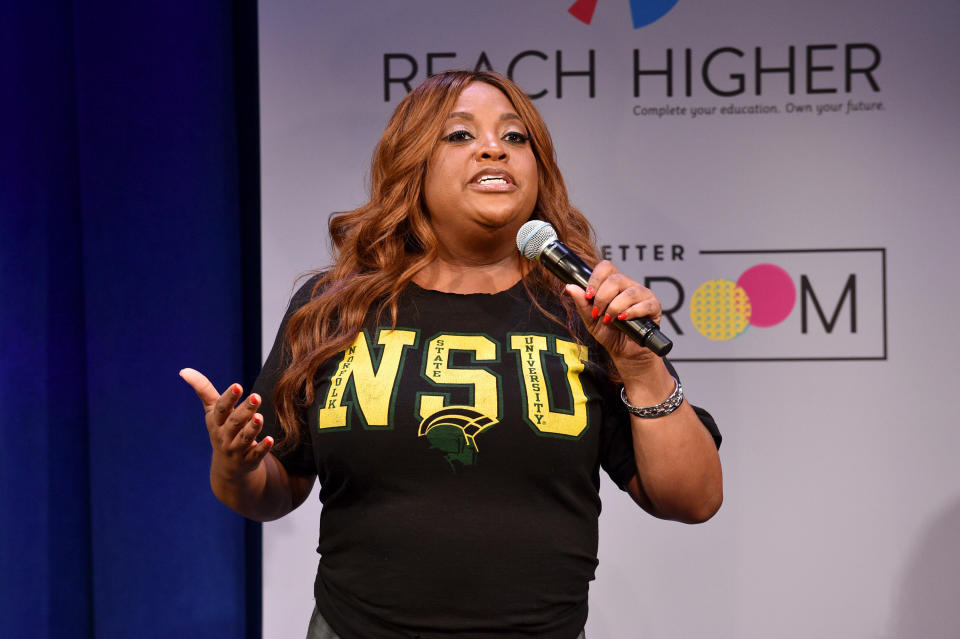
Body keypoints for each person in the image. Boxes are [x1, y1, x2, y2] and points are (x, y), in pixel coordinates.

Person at [182, 70, 722, 639]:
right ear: (411, 165)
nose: (494, 147)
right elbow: (274, 490)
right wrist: (236, 464)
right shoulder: (333, 309)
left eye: (516, 138)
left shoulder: (582, 310)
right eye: (460, 135)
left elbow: (693, 499)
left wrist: (642, 368)